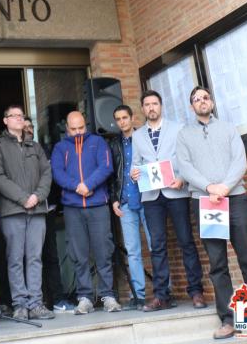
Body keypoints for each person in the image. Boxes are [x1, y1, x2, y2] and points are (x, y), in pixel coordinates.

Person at [176, 86, 247, 340]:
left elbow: (240, 160)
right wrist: (209, 187)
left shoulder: (228, 128)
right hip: (205, 202)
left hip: (234, 197)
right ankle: (228, 319)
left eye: (205, 97)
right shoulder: (184, 135)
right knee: (218, 264)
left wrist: (225, 187)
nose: (201, 101)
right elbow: (185, 166)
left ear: (211, 103)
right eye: (196, 99)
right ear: (191, 107)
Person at [131, 90, 205, 312]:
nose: (151, 107)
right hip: (152, 196)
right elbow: (136, 164)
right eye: (147, 104)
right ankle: (161, 295)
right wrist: (134, 173)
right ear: (143, 109)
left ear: (161, 106)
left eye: (155, 103)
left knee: (186, 241)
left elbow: (186, 158)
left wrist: (183, 178)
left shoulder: (178, 128)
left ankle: (196, 291)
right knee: (157, 246)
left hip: (176, 192)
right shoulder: (137, 136)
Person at [51, 110, 121, 315]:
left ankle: (108, 295)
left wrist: (89, 184)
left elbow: (106, 167)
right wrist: (78, 187)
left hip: (98, 205)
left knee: (103, 251)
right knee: (78, 254)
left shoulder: (98, 142)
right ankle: (85, 298)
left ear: (86, 125)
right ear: (67, 129)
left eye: (81, 128)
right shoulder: (60, 147)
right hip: (73, 207)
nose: (78, 132)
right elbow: (57, 173)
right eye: (73, 129)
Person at [0, 103, 53, 320]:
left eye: (21, 115)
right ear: (5, 121)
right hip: (12, 211)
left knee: (35, 257)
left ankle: (36, 304)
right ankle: (20, 304)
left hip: (37, 209)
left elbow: (47, 173)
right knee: (15, 258)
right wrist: (22, 198)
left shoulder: (34, 146)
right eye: (14, 116)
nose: (19, 118)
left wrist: (37, 196)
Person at [23, 116, 74, 314]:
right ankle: (31, 302)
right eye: (25, 126)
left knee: (51, 257)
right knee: (28, 258)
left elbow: (52, 178)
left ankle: (58, 299)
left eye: (31, 126)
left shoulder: (46, 150)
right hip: (25, 212)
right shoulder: (15, 152)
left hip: (47, 210)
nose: (28, 129)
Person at [110, 104, 151, 309]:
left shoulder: (144, 137)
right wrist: (114, 199)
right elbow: (112, 175)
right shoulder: (114, 143)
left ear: (132, 117)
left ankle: (164, 291)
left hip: (147, 198)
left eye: (125, 117)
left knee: (155, 246)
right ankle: (139, 295)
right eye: (118, 119)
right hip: (125, 201)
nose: (122, 122)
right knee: (133, 251)